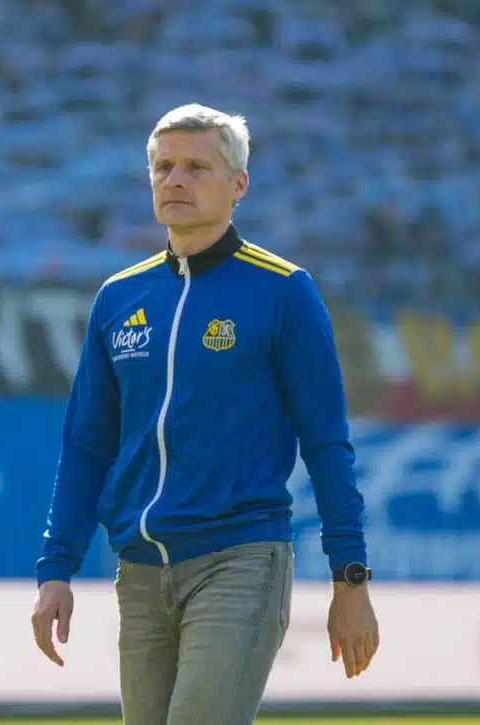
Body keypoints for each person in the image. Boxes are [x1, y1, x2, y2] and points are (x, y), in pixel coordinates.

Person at [31, 103, 379, 725]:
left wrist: (349, 579)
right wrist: (56, 569)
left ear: (239, 184)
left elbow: (327, 443)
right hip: (140, 574)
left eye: (196, 167)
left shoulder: (284, 290)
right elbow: (87, 446)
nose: (176, 180)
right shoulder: (118, 298)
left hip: (239, 561)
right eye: (163, 167)